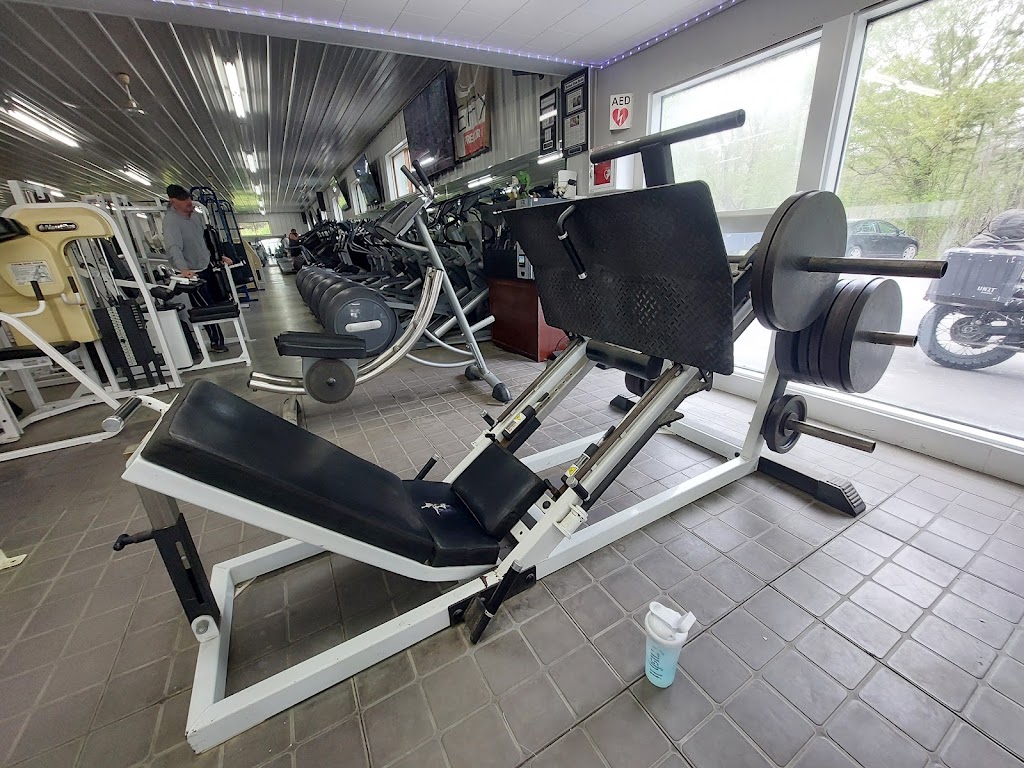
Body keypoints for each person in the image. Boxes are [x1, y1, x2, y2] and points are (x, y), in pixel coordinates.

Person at [163, 184, 233, 353]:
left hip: (206, 266)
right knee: (204, 306)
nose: (188, 202)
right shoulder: (171, 221)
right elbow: (174, 248)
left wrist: (218, 257)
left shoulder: (196, 217)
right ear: (173, 201)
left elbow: (205, 241)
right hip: (192, 273)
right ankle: (216, 341)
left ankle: (219, 337)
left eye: (188, 198)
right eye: (183, 199)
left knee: (218, 300)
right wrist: (183, 269)